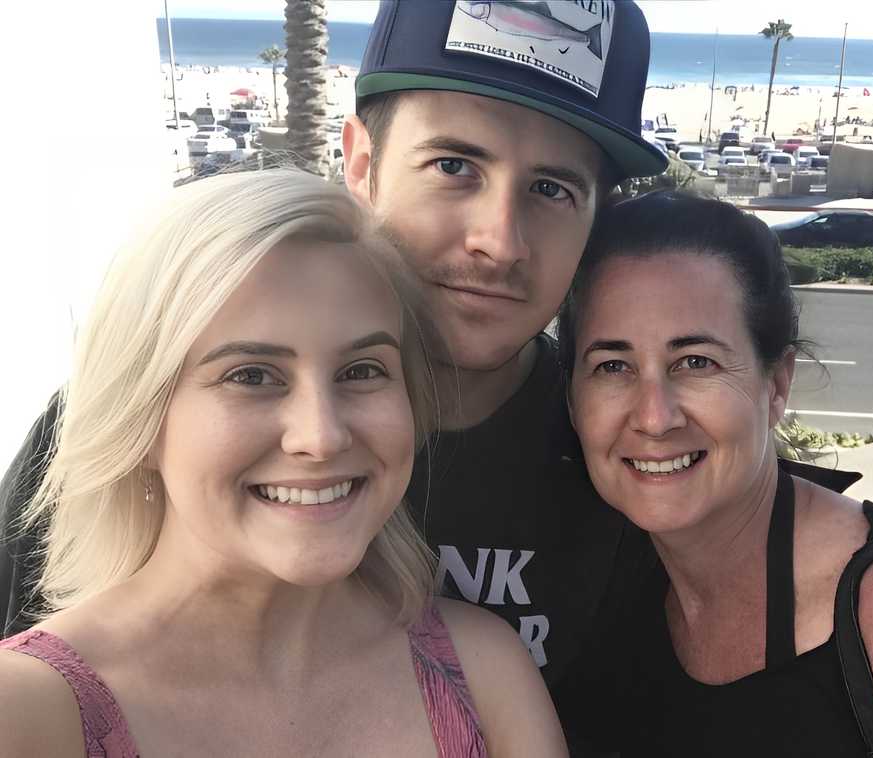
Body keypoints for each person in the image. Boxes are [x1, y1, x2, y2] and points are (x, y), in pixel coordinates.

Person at [2, 0, 665, 744]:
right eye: (454, 165)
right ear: (360, 162)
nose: (498, 242)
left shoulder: (631, 453)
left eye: (551, 189)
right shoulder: (107, 438)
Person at [0, 171, 565, 756]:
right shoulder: (28, 713)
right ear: (140, 420)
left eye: (362, 370)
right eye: (251, 376)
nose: (320, 436)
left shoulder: (484, 674)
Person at [555, 192, 873, 756]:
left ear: (776, 383)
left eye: (696, 362)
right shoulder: (597, 570)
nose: (654, 416)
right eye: (612, 366)